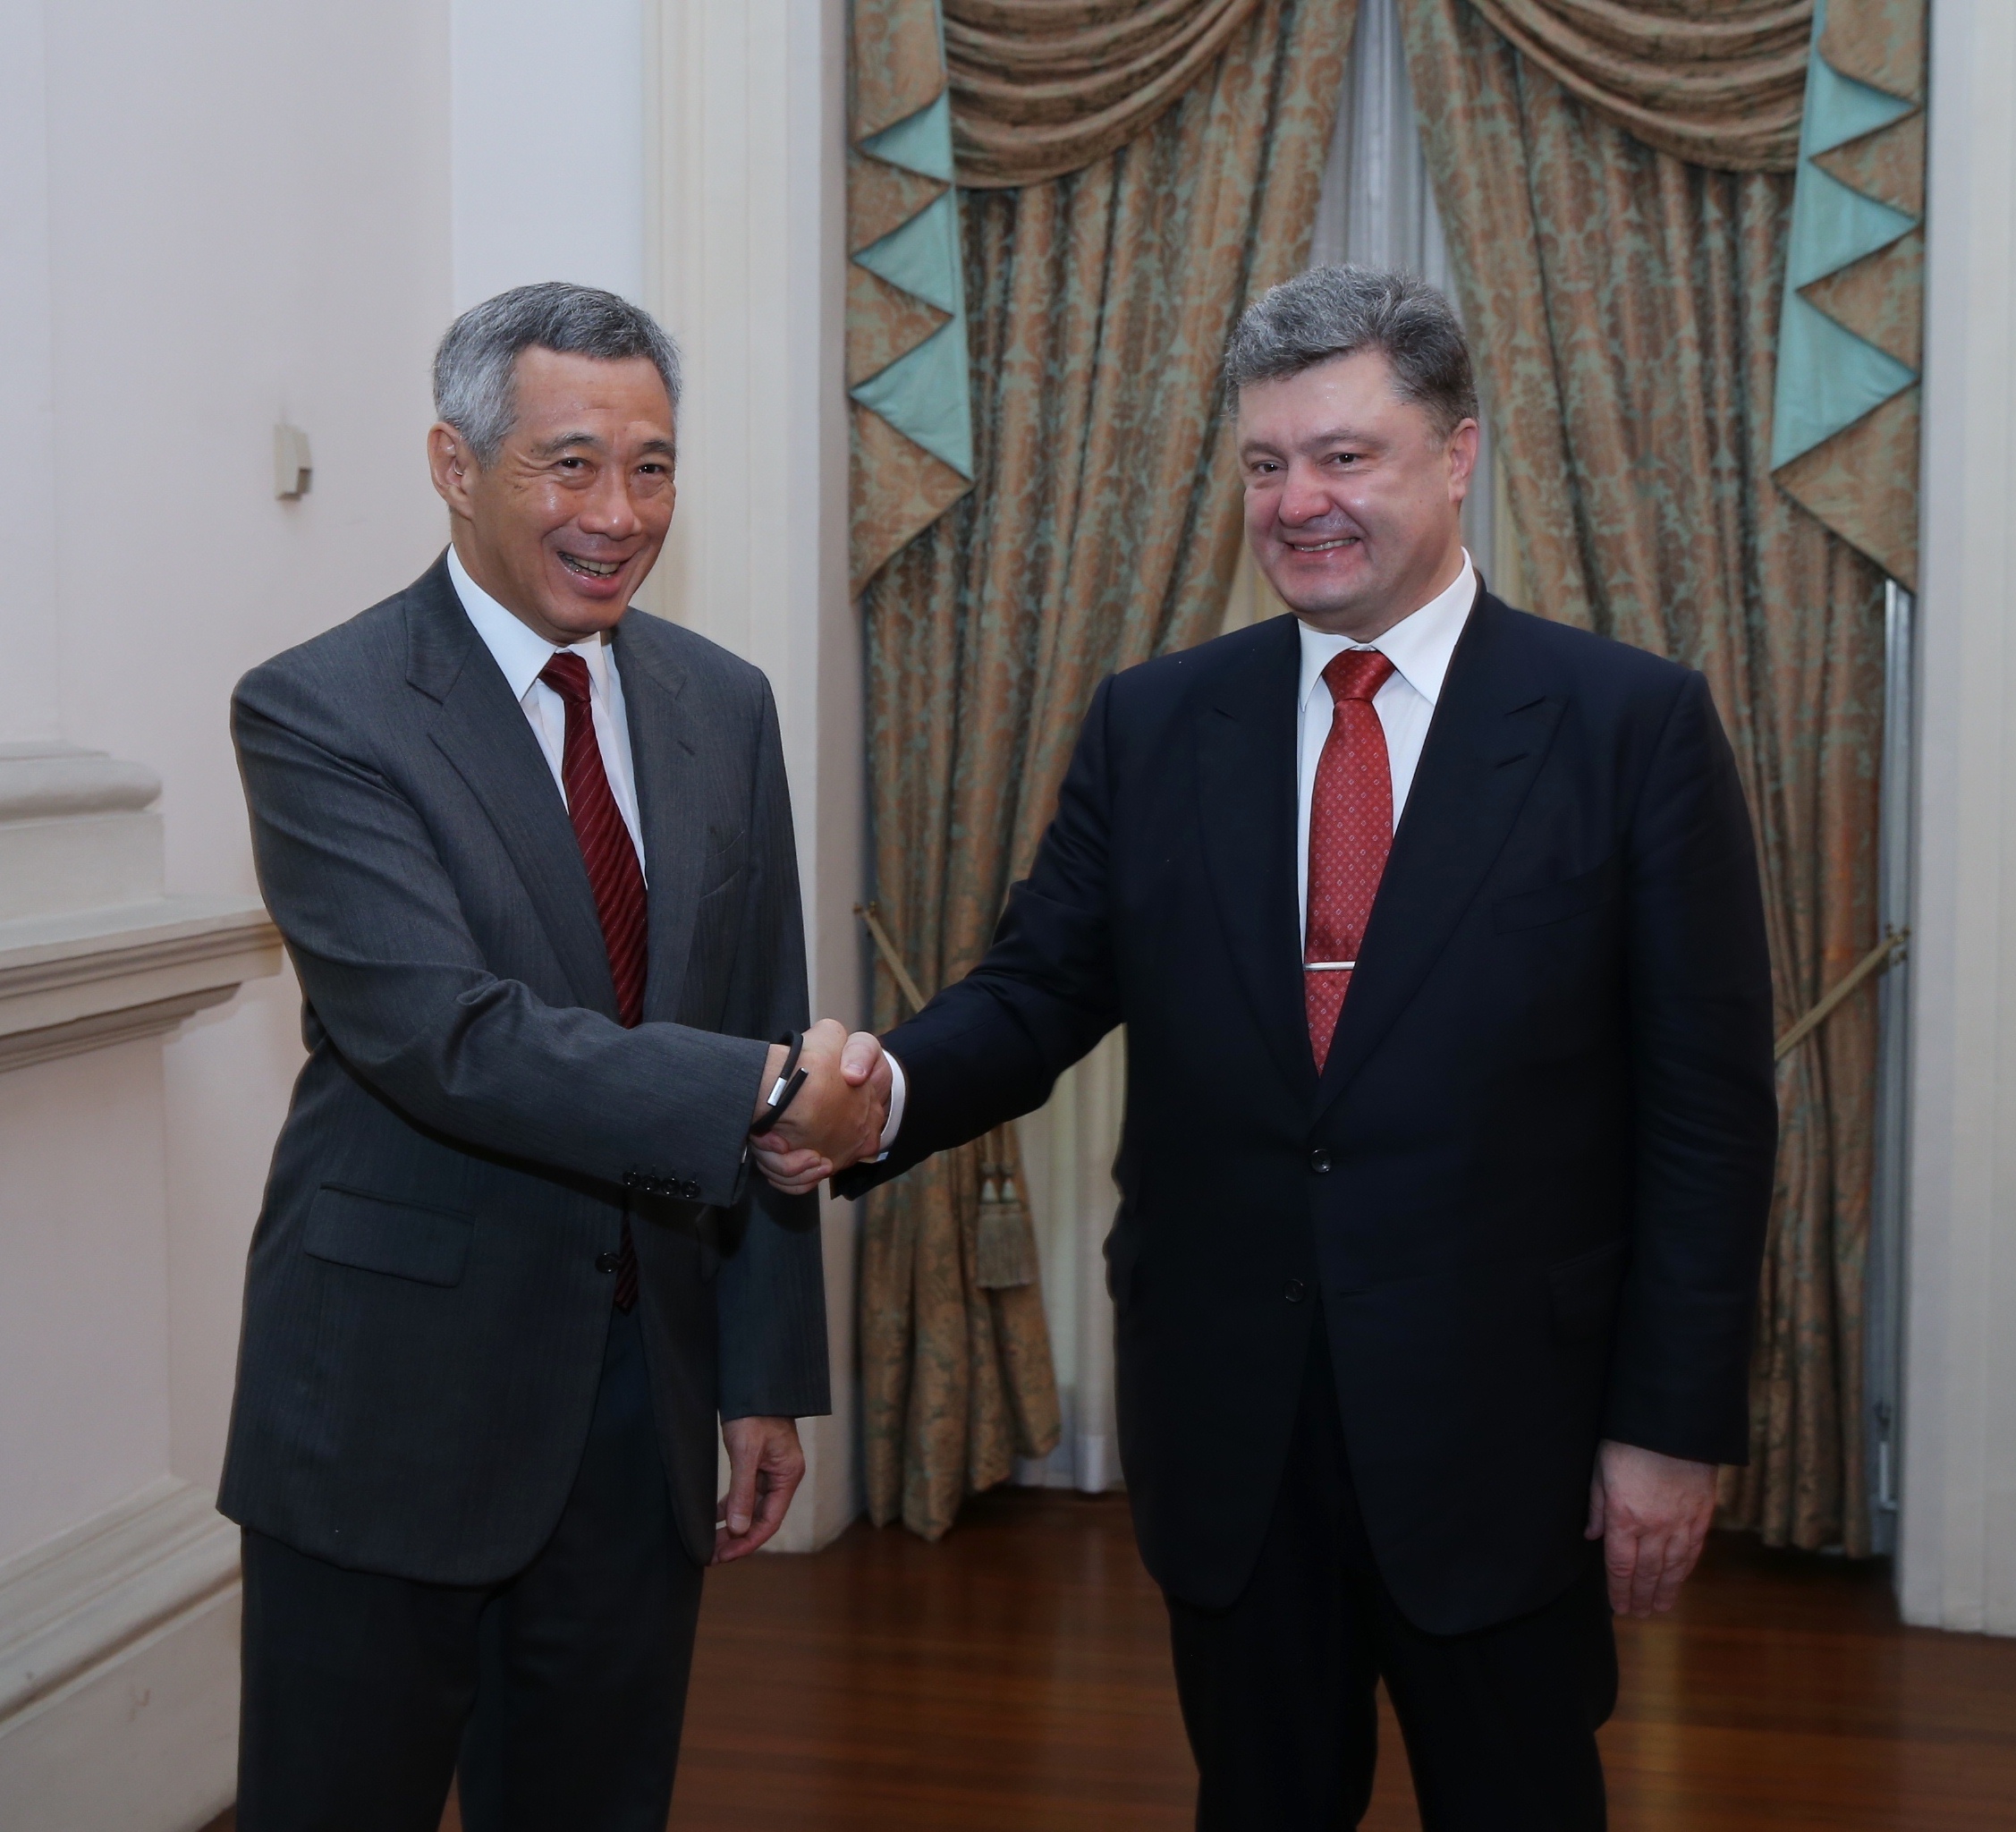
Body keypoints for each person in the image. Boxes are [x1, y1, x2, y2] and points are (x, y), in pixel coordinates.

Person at [775, 266, 1776, 1828]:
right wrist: (877, 1092)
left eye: (1344, 456)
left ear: (1456, 456)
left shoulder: (1626, 726)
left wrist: (1666, 1428)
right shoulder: (1158, 722)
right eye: (1264, 464)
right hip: (1231, 1424)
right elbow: (1038, 990)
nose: (1297, 501)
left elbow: (1708, 1118)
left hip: (1502, 1436)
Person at [222, 282, 892, 1831]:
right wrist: (764, 1095)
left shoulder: (722, 705)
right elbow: (442, 1036)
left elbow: (761, 1008)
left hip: (633, 1413)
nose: (619, 512)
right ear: (456, 466)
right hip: (385, 1406)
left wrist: (762, 1377)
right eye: (569, 463)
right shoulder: (322, 710)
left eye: (651, 466)